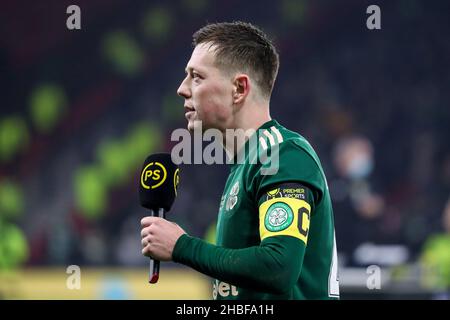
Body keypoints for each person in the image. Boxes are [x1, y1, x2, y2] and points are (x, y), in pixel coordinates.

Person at [140, 21, 339, 300]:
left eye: (196, 77)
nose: (182, 89)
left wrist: (182, 246)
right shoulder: (248, 163)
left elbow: (278, 267)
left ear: (239, 88)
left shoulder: (283, 154)